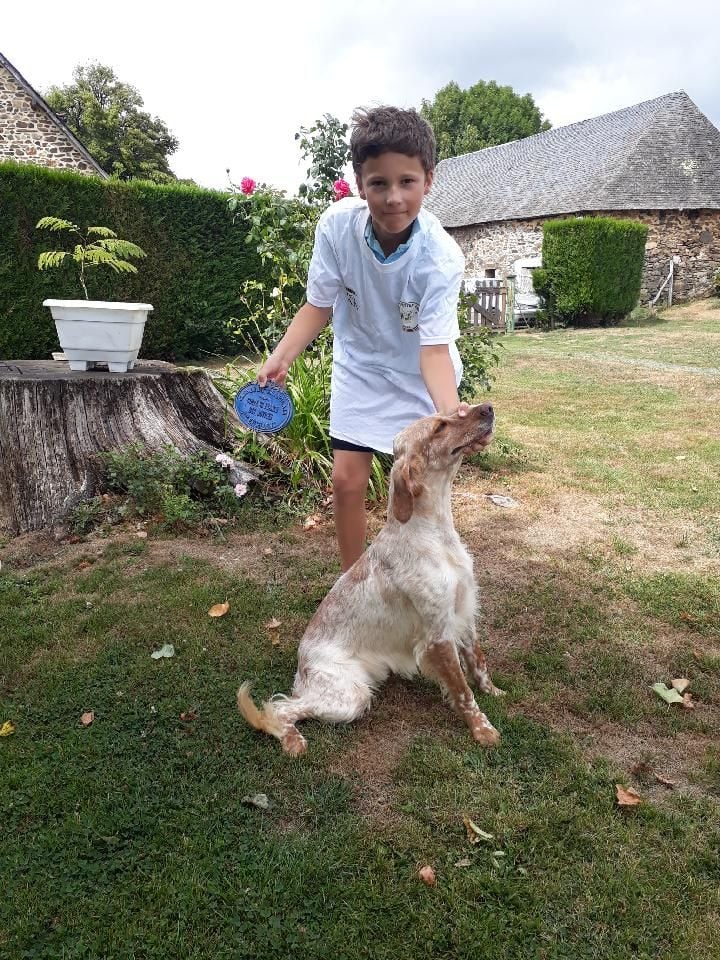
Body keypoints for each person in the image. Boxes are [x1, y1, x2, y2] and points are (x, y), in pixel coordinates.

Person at [257, 105, 467, 572]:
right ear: (360, 184)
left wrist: (451, 417)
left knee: (417, 488)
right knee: (346, 483)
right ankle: (354, 580)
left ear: (428, 180)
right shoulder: (336, 228)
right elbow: (319, 304)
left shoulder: (441, 257)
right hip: (360, 368)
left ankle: (423, 572)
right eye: (379, 183)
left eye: (407, 182)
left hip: (418, 374)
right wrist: (281, 356)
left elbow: (432, 349)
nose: (394, 197)